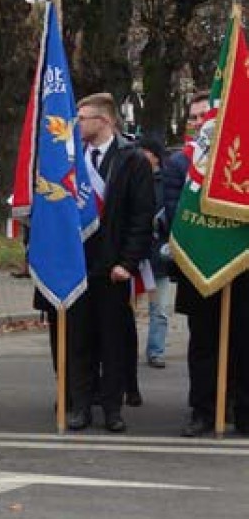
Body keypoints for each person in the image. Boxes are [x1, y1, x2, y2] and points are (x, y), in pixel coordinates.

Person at [65, 93, 154, 433]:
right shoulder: (74, 162)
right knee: (80, 341)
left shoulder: (132, 161)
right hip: (78, 268)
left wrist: (128, 263)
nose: (78, 124)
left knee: (113, 342)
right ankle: (81, 406)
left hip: (113, 269)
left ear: (104, 121)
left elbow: (141, 216)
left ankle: (113, 409)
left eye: (83, 118)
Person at [163, 92, 249, 437]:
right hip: (197, 265)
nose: (202, 124)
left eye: (206, 116)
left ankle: (244, 412)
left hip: (242, 268)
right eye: (196, 118)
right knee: (203, 344)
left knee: (244, 343)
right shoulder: (180, 164)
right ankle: (202, 411)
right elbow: (172, 212)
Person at [137, 135, 170, 370]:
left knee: (159, 309)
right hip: (133, 254)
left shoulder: (167, 182)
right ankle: (124, 350)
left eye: (144, 151)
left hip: (157, 255)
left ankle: (156, 351)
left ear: (155, 156)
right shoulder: (133, 177)